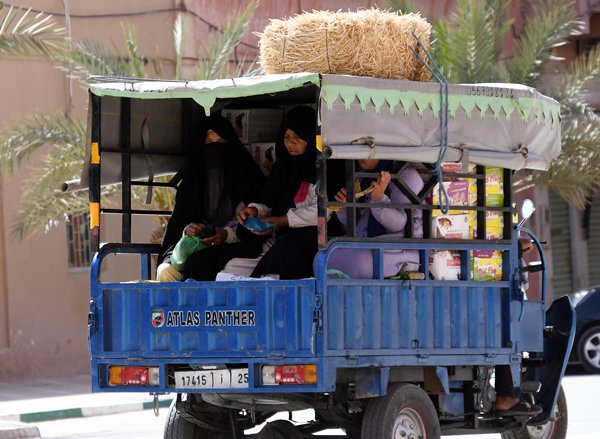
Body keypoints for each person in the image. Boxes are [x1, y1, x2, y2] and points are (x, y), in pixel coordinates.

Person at [183, 106, 319, 281]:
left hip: (306, 241)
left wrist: (284, 221)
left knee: (280, 258)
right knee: (216, 265)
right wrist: (254, 211)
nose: (290, 143)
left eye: (297, 137)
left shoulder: (323, 171)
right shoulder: (283, 169)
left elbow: (325, 211)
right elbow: (268, 198)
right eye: (286, 137)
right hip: (273, 240)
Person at [156, 114, 264, 281]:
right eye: (208, 144)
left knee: (201, 264)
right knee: (165, 271)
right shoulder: (192, 184)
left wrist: (226, 235)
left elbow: (259, 225)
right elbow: (177, 227)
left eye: (221, 144)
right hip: (196, 247)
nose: (215, 151)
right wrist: (190, 231)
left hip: (235, 246)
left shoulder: (248, 178)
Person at [326, 159, 424, 279]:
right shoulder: (363, 177)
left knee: (357, 262)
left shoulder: (407, 176)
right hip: (366, 243)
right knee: (324, 257)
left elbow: (398, 224)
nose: (358, 156)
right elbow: (353, 225)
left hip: (398, 248)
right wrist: (344, 206)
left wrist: (378, 199)